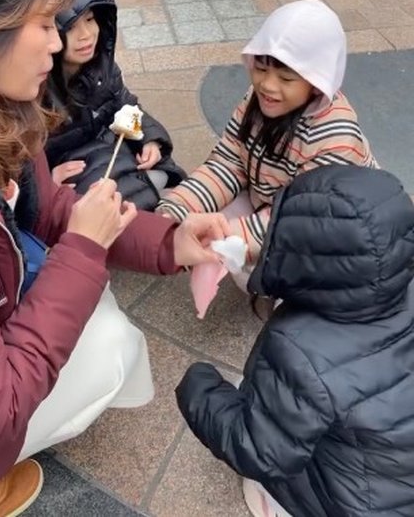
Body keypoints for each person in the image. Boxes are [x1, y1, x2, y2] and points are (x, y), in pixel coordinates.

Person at [0, 0, 228, 515]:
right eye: (42, 23)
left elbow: (50, 212)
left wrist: (169, 241)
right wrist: (85, 251)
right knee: (111, 346)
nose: (57, 40)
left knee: (95, 306)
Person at [176, 164, 414, 517]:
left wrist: (199, 385)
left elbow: (258, 450)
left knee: (252, 405)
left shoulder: (300, 348)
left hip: (348, 507)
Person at [158, 0, 376, 274]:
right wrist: (174, 211)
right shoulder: (257, 101)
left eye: (286, 78)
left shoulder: (335, 138)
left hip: (331, 229)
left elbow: (301, 219)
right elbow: (228, 163)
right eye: (260, 69)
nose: (267, 85)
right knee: (201, 226)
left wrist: (225, 239)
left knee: (263, 267)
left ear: (318, 82)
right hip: (270, 198)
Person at [46, 0, 185, 210]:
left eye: (90, 20)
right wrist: (43, 182)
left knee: (170, 181)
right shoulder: (35, 87)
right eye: (71, 27)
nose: (86, 35)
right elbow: (19, 160)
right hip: (77, 176)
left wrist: (149, 139)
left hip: (114, 152)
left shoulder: (103, 68)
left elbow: (126, 107)